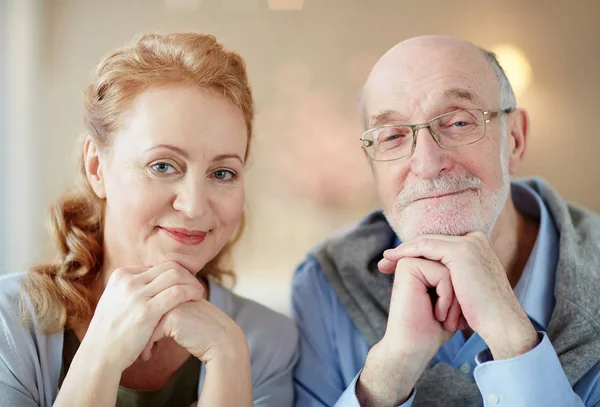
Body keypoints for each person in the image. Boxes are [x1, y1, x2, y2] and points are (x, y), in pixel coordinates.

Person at [292, 35, 600, 406]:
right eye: (392, 136)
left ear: (514, 140)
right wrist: (387, 376)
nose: (426, 163)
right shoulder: (324, 285)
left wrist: (515, 345)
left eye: (457, 122)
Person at [0, 32, 297, 407]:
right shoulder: (9, 324)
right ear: (97, 168)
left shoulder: (267, 340)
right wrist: (101, 358)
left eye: (222, 173)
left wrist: (229, 359)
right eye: (162, 166)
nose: (194, 207)